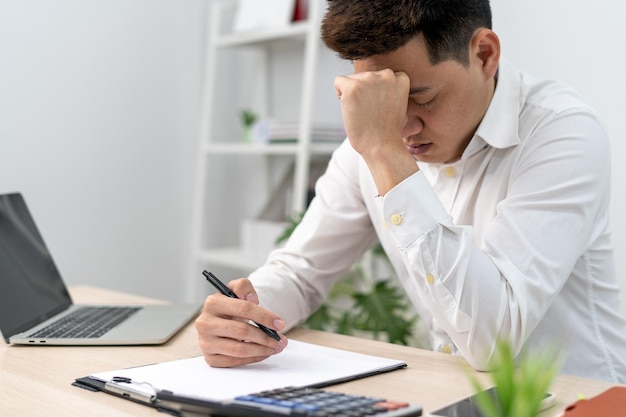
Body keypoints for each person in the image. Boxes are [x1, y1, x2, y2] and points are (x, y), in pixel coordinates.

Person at [195, 0, 626, 383]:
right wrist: (245, 315)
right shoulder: (370, 145)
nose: (402, 128)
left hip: (576, 400)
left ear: (484, 54)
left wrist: (386, 154)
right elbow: (302, 271)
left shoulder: (563, 132)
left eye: (420, 98)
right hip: (455, 394)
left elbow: (496, 340)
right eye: (383, 101)